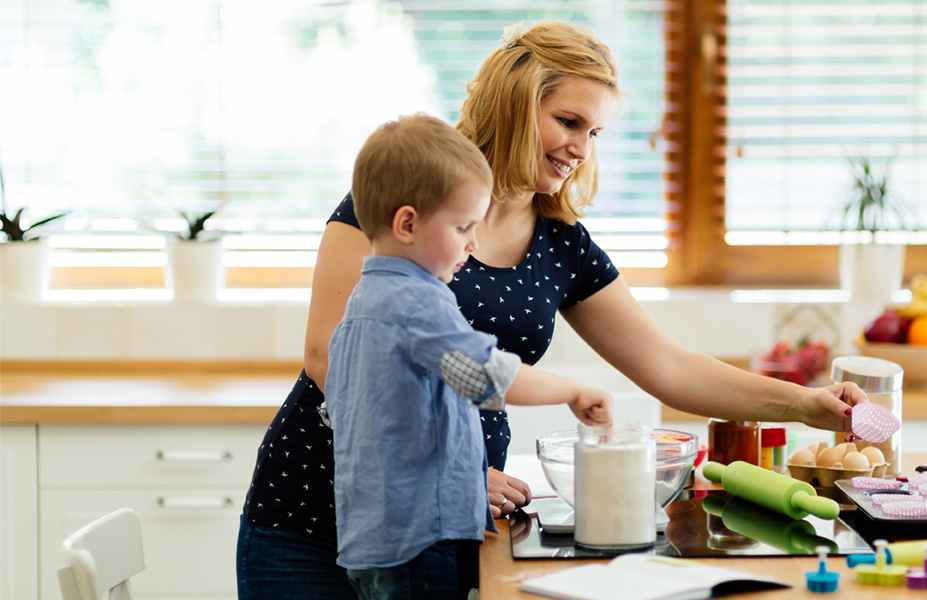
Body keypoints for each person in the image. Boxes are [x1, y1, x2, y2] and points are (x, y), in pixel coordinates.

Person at [237, 21, 868, 600]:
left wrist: (803, 402)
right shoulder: (408, 196)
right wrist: (446, 473)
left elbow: (669, 366)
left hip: (453, 526)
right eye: (568, 121)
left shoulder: (560, 242)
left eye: (593, 132)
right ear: (514, 102)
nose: (581, 149)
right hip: (311, 516)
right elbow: (330, 355)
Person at [325, 115, 611, 599]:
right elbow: (490, 377)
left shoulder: (362, 303)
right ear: (408, 224)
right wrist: (575, 390)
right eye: (462, 228)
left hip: (369, 539)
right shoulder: (421, 302)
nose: (473, 244)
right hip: (421, 540)